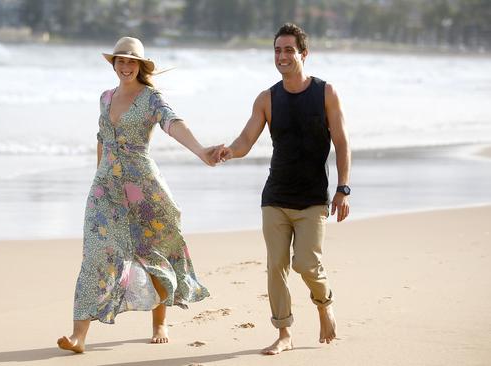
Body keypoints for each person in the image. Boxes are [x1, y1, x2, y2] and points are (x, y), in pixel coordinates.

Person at [58, 36, 215, 353]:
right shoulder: (105, 97)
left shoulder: (151, 98)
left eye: (131, 61)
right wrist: (99, 175)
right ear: (113, 64)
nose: (126, 66)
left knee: (152, 252)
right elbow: (102, 136)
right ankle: (79, 336)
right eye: (120, 60)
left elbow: (173, 123)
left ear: (141, 66)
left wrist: (200, 150)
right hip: (106, 189)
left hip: (143, 188)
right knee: (96, 254)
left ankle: (160, 322)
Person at [214, 23, 351, 355]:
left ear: (304, 54)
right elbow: (246, 139)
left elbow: (342, 142)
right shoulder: (267, 98)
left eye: (289, 49)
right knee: (276, 265)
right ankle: (284, 333)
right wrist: (229, 151)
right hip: (275, 197)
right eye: (277, 50)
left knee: (306, 263)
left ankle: (323, 303)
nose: (282, 56)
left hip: (313, 199)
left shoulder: (326, 93)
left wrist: (343, 188)